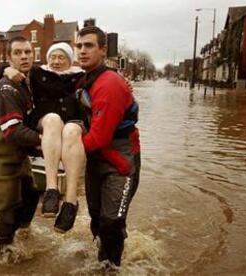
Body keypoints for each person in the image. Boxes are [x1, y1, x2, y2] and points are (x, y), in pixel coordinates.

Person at [75, 26, 141, 267]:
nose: (82, 51)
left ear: (103, 50)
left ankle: (111, 268)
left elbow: (99, 139)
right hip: (96, 159)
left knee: (111, 222)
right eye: (79, 46)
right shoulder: (82, 79)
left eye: (89, 46)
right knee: (97, 218)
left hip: (120, 163)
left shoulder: (109, 84)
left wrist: (64, 151)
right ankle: (101, 260)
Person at [4, 42, 86, 233]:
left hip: (73, 122)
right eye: (52, 57)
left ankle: (71, 202)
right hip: (45, 121)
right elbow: (11, 67)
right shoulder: (37, 73)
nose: (56, 61)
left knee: (71, 130)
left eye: (61, 57)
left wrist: (125, 84)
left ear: (70, 60)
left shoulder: (82, 76)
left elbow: (104, 78)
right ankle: (51, 190)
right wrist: (7, 69)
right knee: (53, 119)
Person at [0, 36, 41, 254]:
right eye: (18, 52)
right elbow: (13, 131)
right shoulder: (5, 90)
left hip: (19, 158)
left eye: (28, 52)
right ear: (9, 58)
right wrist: (46, 142)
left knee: (31, 195)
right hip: (1, 161)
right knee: (7, 210)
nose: (24, 56)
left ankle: (23, 233)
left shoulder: (28, 81)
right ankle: (3, 252)